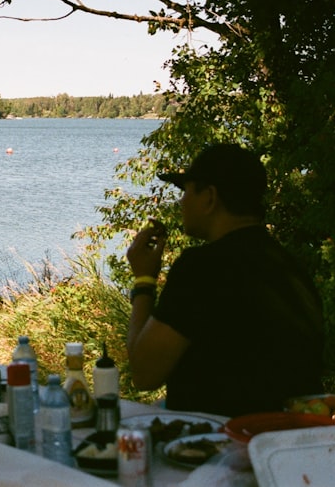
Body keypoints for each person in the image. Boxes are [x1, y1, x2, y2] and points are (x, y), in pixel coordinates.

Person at [125, 143, 324, 416]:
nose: (181, 202)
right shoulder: (290, 267)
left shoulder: (201, 267)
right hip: (287, 435)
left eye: (186, 191)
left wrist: (144, 280)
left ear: (209, 197)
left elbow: (144, 373)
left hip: (219, 438)